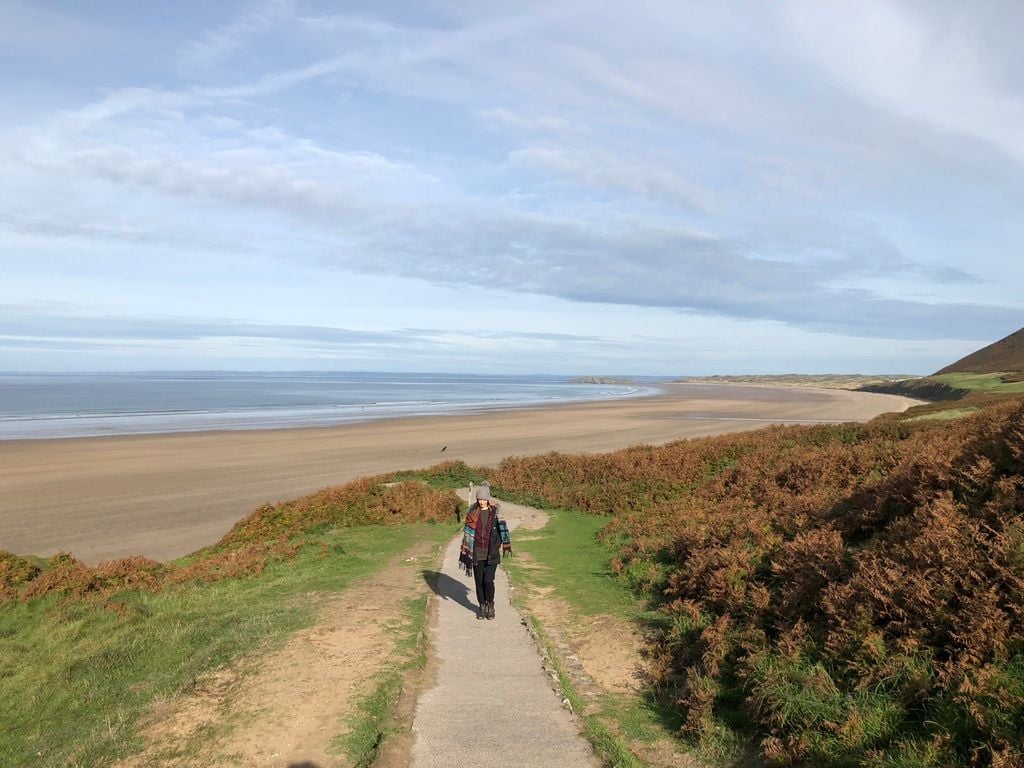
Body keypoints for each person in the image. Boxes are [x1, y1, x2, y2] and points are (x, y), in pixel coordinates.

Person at [459, 484, 512, 620]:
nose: (481, 501)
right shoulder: (472, 512)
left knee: (488, 581)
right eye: (479, 499)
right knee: (479, 581)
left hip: (491, 552)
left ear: (488, 499)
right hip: (476, 551)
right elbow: (467, 533)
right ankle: (482, 606)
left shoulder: (496, 512)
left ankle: (490, 604)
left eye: (483, 499)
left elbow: (503, 530)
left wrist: (498, 544)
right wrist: (467, 549)